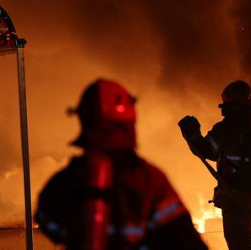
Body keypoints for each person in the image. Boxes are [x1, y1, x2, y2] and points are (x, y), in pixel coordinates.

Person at [36, 79, 208, 250]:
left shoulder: (66, 179)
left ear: (84, 122)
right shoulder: (150, 180)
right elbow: (186, 239)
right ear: (129, 122)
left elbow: (46, 222)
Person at [178, 80, 251, 250]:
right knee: (249, 240)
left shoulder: (223, 129)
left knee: (239, 242)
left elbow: (205, 151)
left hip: (234, 195)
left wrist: (192, 134)